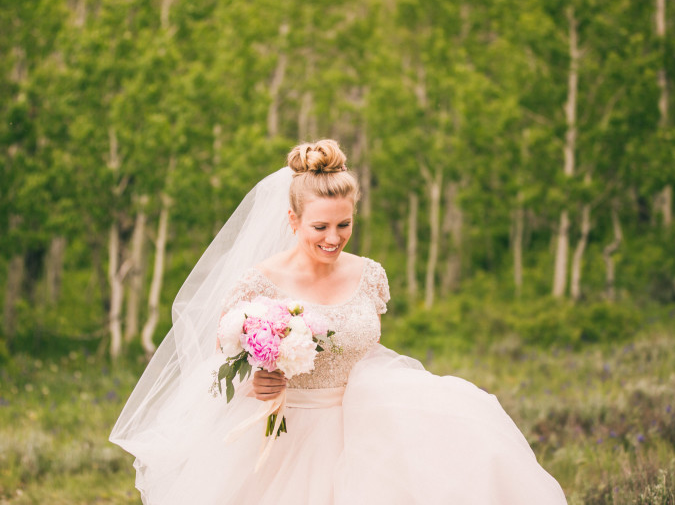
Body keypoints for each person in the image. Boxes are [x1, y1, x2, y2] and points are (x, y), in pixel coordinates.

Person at [110, 139, 568, 504]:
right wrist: (259, 383)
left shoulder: (368, 274)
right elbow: (220, 367)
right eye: (320, 228)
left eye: (344, 225)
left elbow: (363, 350)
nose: (334, 239)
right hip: (288, 434)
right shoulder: (259, 284)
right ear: (292, 220)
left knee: (476, 452)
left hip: (368, 424)